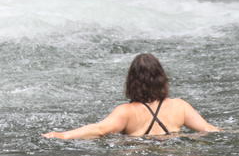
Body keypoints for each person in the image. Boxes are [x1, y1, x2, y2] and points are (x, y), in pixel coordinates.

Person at [42, 53, 220, 139]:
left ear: (131, 81)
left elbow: (99, 130)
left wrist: (62, 135)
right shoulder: (180, 106)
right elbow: (208, 129)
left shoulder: (125, 112)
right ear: (162, 78)